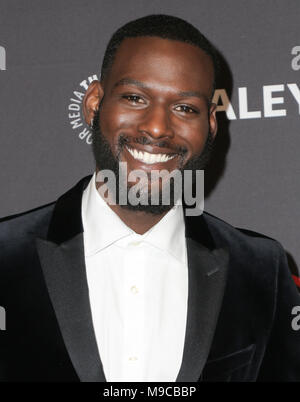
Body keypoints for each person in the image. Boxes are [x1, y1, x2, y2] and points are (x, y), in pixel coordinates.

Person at [0, 14, 299, 382]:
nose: (157, 126)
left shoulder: (260, 271)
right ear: (94, 104)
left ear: (210, 126)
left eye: (185, 108)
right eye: (135, 97)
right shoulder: (6, 257)